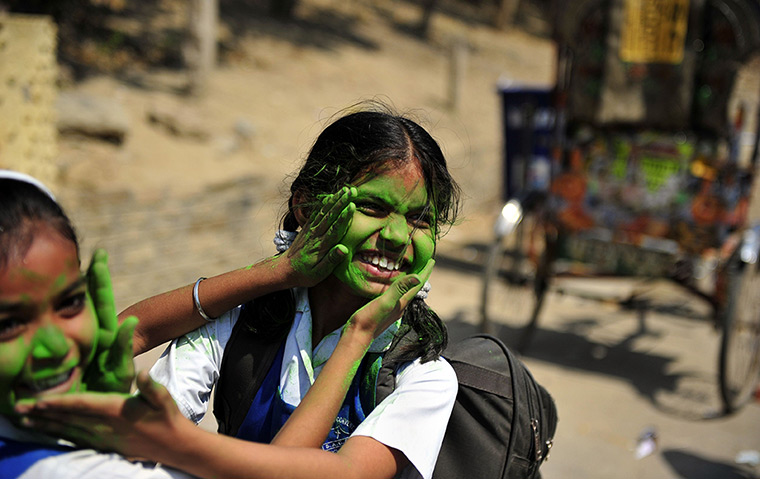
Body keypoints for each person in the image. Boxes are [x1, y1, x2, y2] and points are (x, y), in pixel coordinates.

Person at [20, 105, 463, 479]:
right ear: (306, 206)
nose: (398, 235)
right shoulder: (243, 321)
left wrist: (358, 335)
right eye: (373, 207)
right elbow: (125, 340)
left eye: (421, 219)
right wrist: (279, 273)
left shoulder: (422, 376)